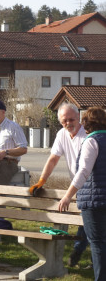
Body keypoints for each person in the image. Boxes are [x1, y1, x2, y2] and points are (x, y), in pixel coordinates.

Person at [29, 102, 89, 267]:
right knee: (89, 222)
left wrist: (68, 195)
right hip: (78, 184)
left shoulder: (87, 135)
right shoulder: (62, 134)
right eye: (64, 121)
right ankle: (84, 255)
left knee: (90, 221)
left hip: (92, 184)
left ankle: (80, 253)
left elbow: (85, 170)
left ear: (79, 117)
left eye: (71, 119)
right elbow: (53, 159)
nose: (68, 123)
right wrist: (42, 180)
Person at [59, 107, 106, 281]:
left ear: (86, 125)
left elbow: (84, 171)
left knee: (98, 243)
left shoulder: (91, 141)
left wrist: (68, 195)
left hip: (94, 202)